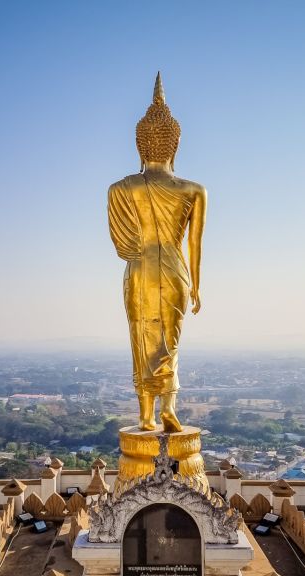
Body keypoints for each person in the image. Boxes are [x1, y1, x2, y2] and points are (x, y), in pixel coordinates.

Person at [108, 73, 207, 432]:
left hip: (139, 270)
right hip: (176, 272)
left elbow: (122, 242)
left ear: (140, 146)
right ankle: (169, 407)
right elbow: (194, 245)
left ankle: (146, 414)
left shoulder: (120, 189)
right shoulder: (194, 190)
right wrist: (196, 286)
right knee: (169, 345)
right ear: (175, 145)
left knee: (141, 340)